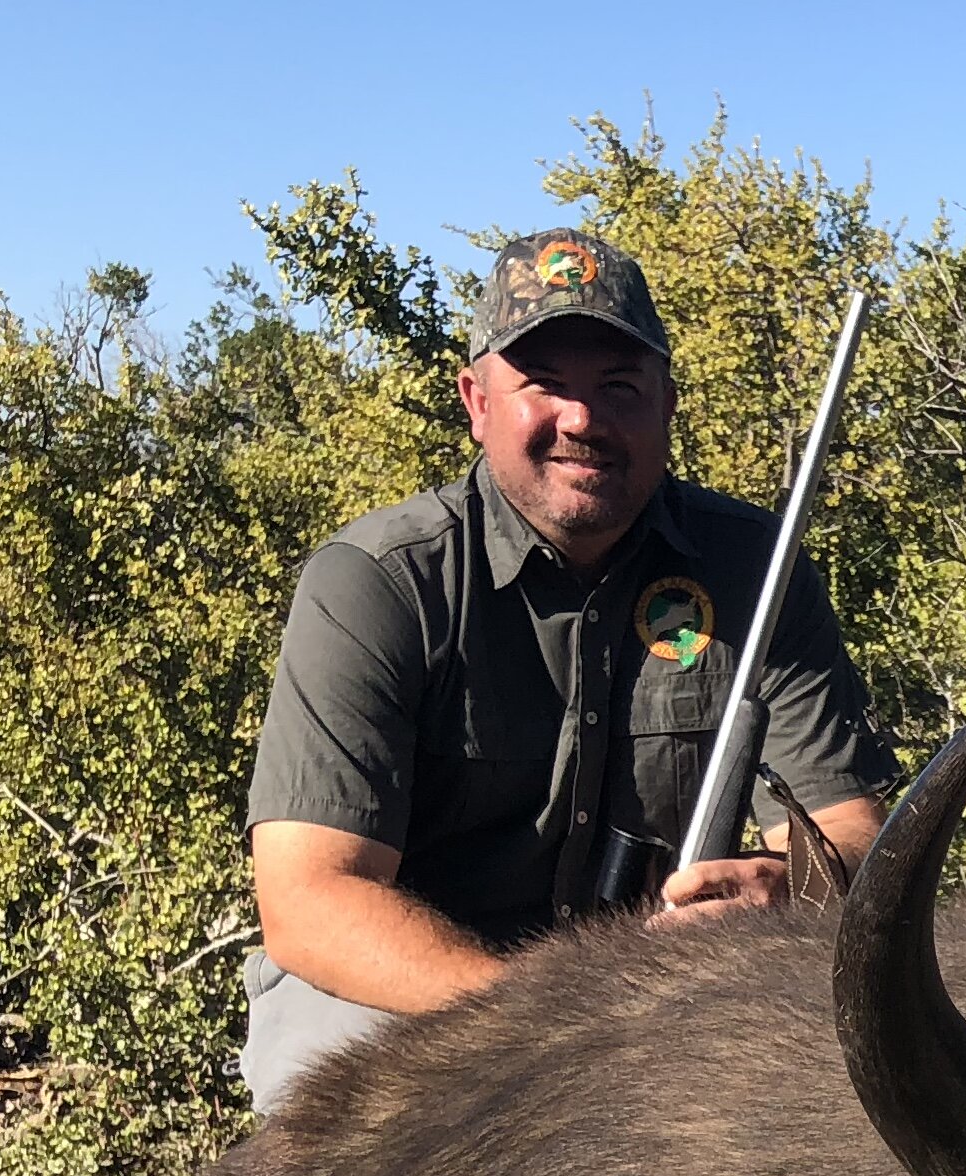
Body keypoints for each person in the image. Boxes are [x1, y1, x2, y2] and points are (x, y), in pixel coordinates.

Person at [238, 229, 897, 1112]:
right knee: (330, 1105)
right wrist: (542, 1022)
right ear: (477, 401)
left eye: (618, 387)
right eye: (544, 384)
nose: (582, 420)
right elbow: (312, 899)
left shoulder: (757, 574)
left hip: (671, 995)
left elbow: (848, 829)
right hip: (424, 999)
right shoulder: (377, 584)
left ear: (667, 402)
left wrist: (787, 886)